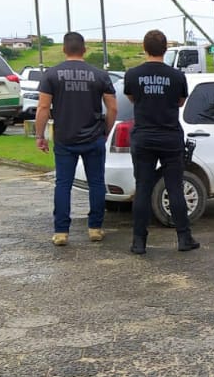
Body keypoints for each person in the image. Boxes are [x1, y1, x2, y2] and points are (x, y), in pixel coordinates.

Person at [34, 31, 117, 247]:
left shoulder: (52, 75)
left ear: (64, 49)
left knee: (63, 184)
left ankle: (61, 232)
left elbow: (43, 107)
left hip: (64, 137)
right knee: (97, 182)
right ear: (84, 50)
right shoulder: (100, 75)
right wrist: (106, 131)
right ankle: (95, 228)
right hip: (93, 136)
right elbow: (113, 107)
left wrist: (39, 135)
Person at [123, 30, 199, 254]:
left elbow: (132, 98)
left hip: (144, 137)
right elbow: (180, 102)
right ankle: (184, 238)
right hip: (170, 137)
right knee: (175, 188)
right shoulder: (177, 76)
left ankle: (139, 242)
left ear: (145, 48)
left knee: (143, 189)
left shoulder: (132, 75)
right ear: (165, 49)